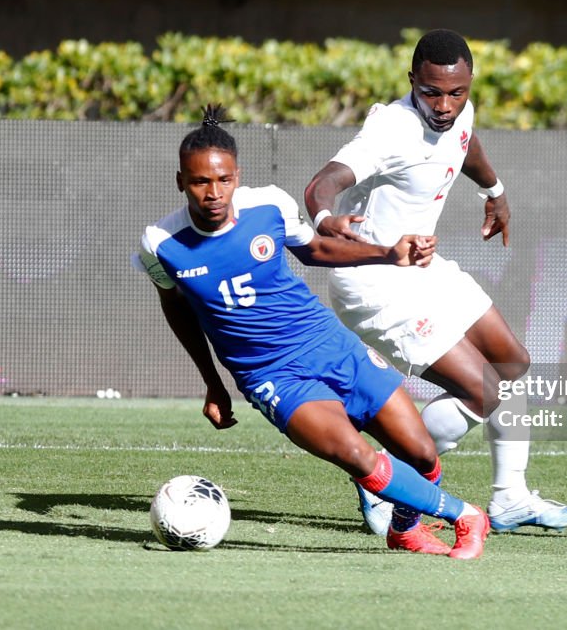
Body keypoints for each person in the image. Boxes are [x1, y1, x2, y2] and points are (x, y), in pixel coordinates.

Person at [133, 103, 489, 559]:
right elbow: (177, 308)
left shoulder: (269, 206)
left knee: (421, 454)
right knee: (356, 455)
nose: (213, 192)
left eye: (223, 180)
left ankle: (405, 530)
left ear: (237, 176)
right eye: (201, 181)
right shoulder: (160, 244)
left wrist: (389, 254)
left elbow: (316, 249)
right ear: (181, 181)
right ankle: (466, 516)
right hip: (270, 375)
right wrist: (212, 382)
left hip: (328, 343)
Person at [304, 29, 567, 535]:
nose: (444, 104)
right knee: (487, 390)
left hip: (422, 267)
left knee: (512, 364)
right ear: (412, 80)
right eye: (431, 91)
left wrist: (495, 192)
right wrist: (326, 218)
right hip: (375, 281)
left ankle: (510, 499)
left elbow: (466, 144)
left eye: (456, 92)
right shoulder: (391, 129)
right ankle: (380, 477)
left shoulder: (459, 110)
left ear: (469, 83)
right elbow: (324, 182)